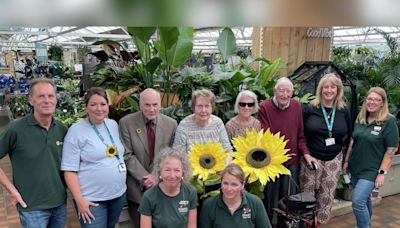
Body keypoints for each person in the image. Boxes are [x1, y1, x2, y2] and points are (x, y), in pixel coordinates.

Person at [0, 78, 68, 227]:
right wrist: (12, 191)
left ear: (56, 100)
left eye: (51, 96)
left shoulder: (62, 129)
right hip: (31, 207)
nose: (46, 100)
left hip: (59, 204)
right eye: (40, 96)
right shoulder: (16, 129)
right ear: (31, 100)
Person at [61, 87, 126, 227]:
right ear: (86, 107)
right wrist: (79, 200)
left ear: (108, 105)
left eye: (103, 104)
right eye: (93, 104)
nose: (99, 108)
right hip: (92, 199)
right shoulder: (76, 131)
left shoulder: (113, 124)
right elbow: (69, 170)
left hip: (118, 195)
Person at [119, 88, 178, 228]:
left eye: (155, 104)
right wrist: (146, 177)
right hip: (137, 190)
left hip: (163, 186)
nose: (151, 109)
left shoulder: (171, 124)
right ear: (140, 105)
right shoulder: (126, 123)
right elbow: (127, 155)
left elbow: (171, 155)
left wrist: (156, 176)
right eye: (147, 105)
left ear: (160, 105)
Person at [301, 73, 352, 224]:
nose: (329, 90)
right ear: (320, 90)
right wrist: (306, 153)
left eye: (332, 87)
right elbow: (301, 133)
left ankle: (320, 223)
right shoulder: (310, 109)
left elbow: (349, 134)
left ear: (338, 90)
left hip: (334, 158)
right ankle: (305, 222)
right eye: (325, 87)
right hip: (311, 157)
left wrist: (344, 156)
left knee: (327, 194)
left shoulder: (344, 111)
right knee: (307, 193)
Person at [344, 87, 398, 228]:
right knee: (365, 199)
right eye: (370, 99)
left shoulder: (389, 121)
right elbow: (352, 142)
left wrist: (381, 173)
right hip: (356, 166)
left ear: (382, 103)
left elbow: (391, 150)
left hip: (371, 170)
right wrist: (346, 161)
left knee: (357, 201)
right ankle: (365, 224)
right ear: (365, 100)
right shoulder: (361, 118)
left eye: (376, 100)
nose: (372, 102)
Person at [257, 77, 310, 221]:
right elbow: (265, 136)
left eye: (288, 91)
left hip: (291, 160)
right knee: (269, 197)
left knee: (288, 199)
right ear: (274, 91)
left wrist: (306, 153)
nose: (285, 95)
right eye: (281, 90)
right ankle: (267, 223)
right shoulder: (264, 107)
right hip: (271, 162)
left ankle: (285, 224)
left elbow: (300, 135)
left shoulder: (296, 106)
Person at [138, 147, 198, 228]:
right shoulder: (149, 196)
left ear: (183, 173)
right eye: (167, 170)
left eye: (177, 170)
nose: (172, 176)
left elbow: (192, 226)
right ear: (160, 172)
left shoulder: (190, 192)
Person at [199, 163, 271, 228]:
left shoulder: (255, 203)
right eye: (225, 183)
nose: (229, 189)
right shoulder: (209, 205)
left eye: (234, 184)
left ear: (242, 184)